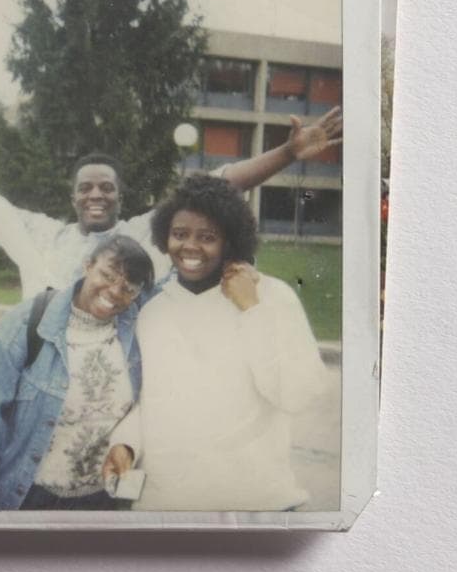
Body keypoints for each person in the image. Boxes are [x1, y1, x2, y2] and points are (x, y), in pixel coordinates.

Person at [0, 108, 343, 297]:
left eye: (106, 188)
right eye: (86, 188)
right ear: (73, 197)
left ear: (121, 196)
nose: (96, 195)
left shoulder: (142, 233)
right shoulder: (42, 235)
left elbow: (220, 184)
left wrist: (287, 154)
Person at [101, 175, 330, 511]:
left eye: (207, 237)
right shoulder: (153, 312)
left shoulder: (272, 296)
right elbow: (151, 401)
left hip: (256, 506)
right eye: (180, 234)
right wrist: (126, 445)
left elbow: (297, 395)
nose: (190, 247)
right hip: (166, 507)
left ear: (229, 241)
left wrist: (252, 310)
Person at [0, 235, 155, 510]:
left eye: (128, 287)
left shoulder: (134, 330)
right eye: (107, 275)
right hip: (29, 498)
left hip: (102, 501)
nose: (114, 292)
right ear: (87, 265)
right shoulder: (25, 325)